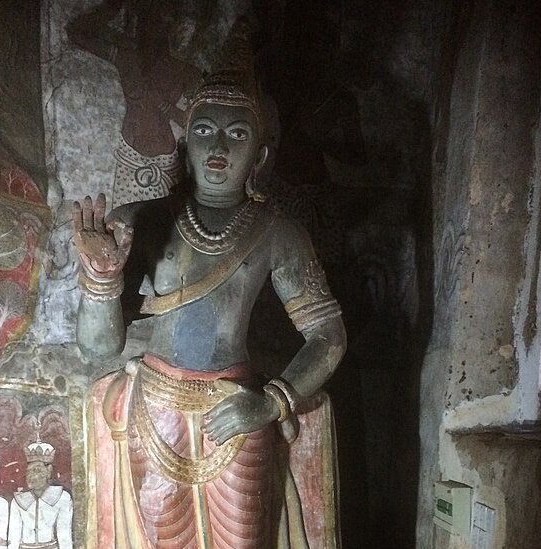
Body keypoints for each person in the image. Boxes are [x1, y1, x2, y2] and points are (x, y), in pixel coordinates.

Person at [73, 67, 346, 548]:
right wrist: (101, 278)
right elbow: (99, 347)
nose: (218, 145)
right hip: (156, 408)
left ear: (259, 155)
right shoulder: (139, 222)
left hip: (236, 409)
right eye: (204, 130)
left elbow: (329, 336)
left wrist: (272, 403)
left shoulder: (279, 234)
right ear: (185, 146)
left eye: (237, 134)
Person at [8, 440, 73, 549]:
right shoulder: (18, 500)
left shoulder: (63, 497)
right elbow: (13, 536)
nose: (33, 476)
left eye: (37, 471)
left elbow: (64, 534)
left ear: (48, 472)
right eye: (30, 471)